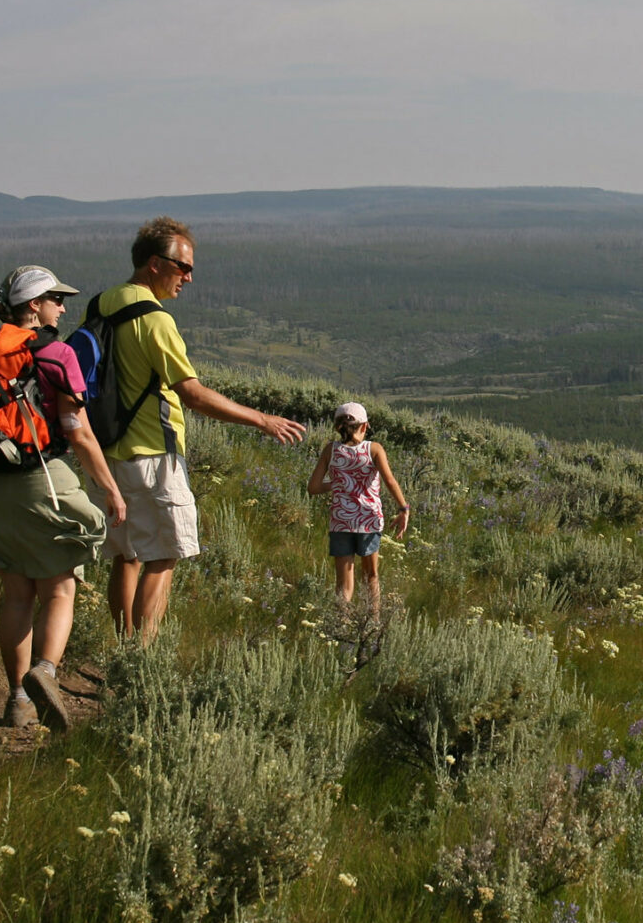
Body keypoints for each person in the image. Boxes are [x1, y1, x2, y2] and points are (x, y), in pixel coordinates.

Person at [0, 266, 127, 731]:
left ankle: (18, 701)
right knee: (59, 587)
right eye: (56, 299)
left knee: (16, 595)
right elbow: (78, 432)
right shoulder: (56, 353)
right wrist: (110, 490)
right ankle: (46, 671)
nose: (62, 307)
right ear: (33, 306)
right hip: (41, 482)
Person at [93, 217, 307, 641]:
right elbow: (191, 393)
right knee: (164, 556)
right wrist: (262, 419)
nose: (188, 278)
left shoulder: (102, 303)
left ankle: (122, 648)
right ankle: (144, 657)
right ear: (155, 263)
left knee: (126, 555)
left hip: (107, 452)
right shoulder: (155, 319)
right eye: (183, 267)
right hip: (153, 454)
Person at [306, 402, 410, 617]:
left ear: (337, 426)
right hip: (368, 521)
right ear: (365, 426)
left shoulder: (330, 450)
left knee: (343, 585)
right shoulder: (374, 449)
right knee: (370, 576)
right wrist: (404, 508)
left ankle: (340, 625)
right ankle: (372, 622)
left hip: (340, 522)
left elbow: (313, 488)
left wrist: (338, 483)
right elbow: (390, 481)